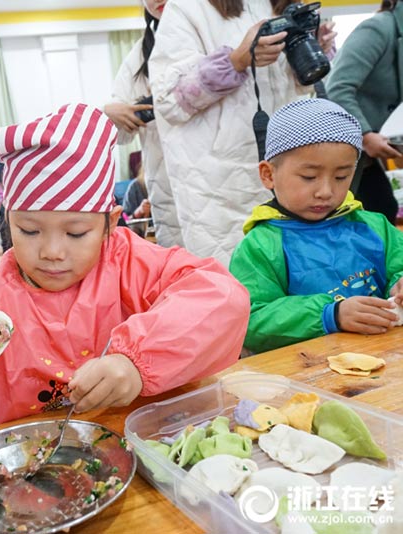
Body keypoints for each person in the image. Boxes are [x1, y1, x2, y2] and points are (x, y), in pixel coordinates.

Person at [0, 103, 251, 453]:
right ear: (7, 221)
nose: (52, 251)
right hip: (40, 472)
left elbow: (221, 298)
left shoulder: (130, 263)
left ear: (110, 225)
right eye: (29, 230)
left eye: (76, 233)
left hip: (157, 448)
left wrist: (135, 363)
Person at [148, 0, 336, 265]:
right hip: (221, 187)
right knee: (235, 286)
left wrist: (314, 50)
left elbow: (300, 95)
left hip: (292, 173)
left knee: (301, 280)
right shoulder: (188, 8)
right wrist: (236, 61)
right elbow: (169, 101)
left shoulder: (285, 5)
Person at [229, 99, 403, 354]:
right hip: (306, 373)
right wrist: (330, 314)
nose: (326, 191)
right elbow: (251, 322)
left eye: (341, 177)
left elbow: (399, 267)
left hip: (386, 357)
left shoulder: (374, 226)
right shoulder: (260, 247)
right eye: (309, 177)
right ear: (268, 174)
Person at [104, 0, 183, 248]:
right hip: (167, 189)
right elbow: (117, 132)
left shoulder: (215, 33)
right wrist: (111, 112)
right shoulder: (139, 56)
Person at [326, 0, 403, 224]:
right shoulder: (378, 29)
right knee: (370, 214)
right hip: (343, 145)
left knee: (382, 210)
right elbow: (336, 89)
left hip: (367, 154)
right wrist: (366, 135)